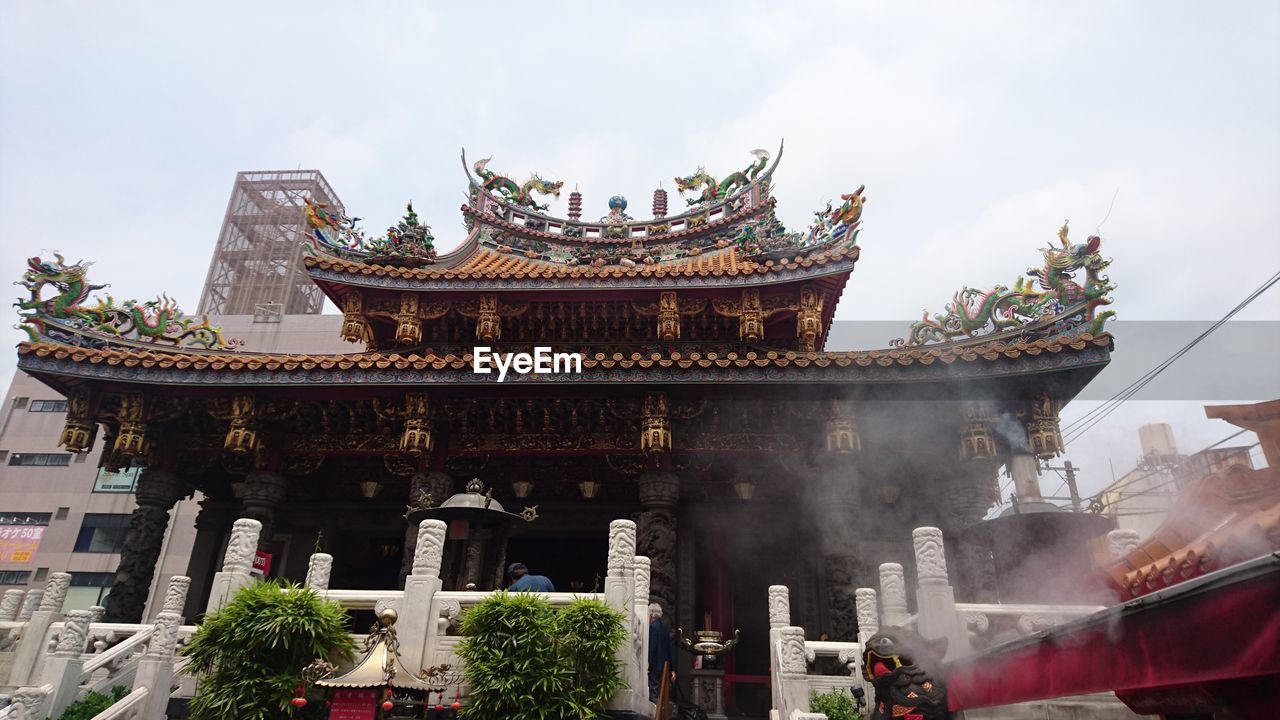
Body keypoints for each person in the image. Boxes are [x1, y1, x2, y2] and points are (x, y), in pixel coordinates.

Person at [648, 602, 677, 702]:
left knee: (653, 693)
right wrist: (672, 669)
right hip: (664, 667)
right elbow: (670, 649)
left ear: (651, 615)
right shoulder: (664, 629)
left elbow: (652, 647)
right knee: (661, 692)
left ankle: (655, 715)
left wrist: (648, 662)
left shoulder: (652, 627)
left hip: (655, 665)